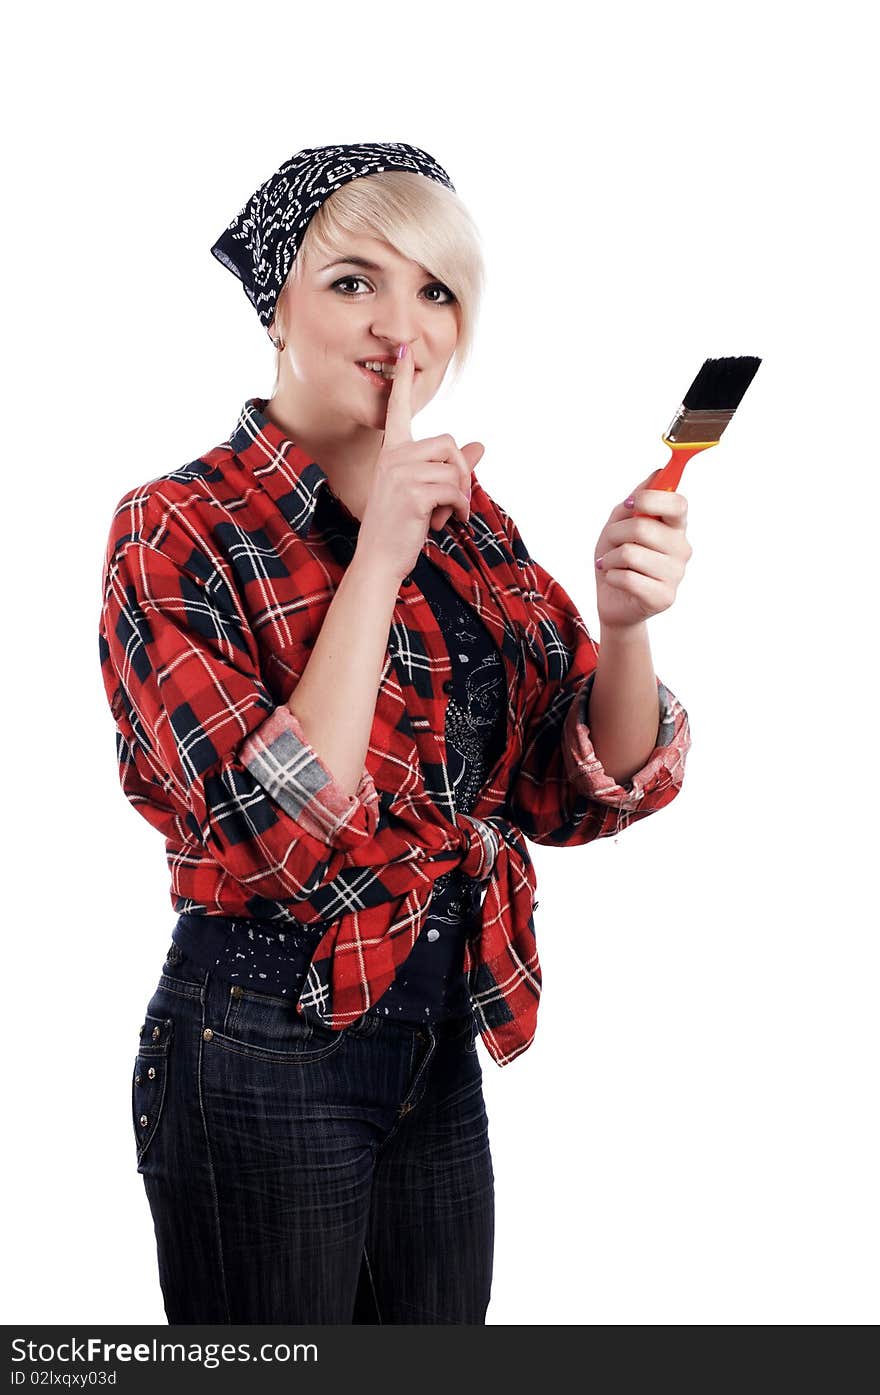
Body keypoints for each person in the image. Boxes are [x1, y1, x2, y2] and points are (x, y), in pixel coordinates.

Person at [98, 142, 693, 1324]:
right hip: (258, 1033)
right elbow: (275, 829)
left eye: (436, 292)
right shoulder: (176, 526)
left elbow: (575, 791)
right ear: (277, 305)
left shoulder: (468, 527)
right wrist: (377, 556)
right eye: (355, 281)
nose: (401, 326)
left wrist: (623, 625)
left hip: (435, 1034)